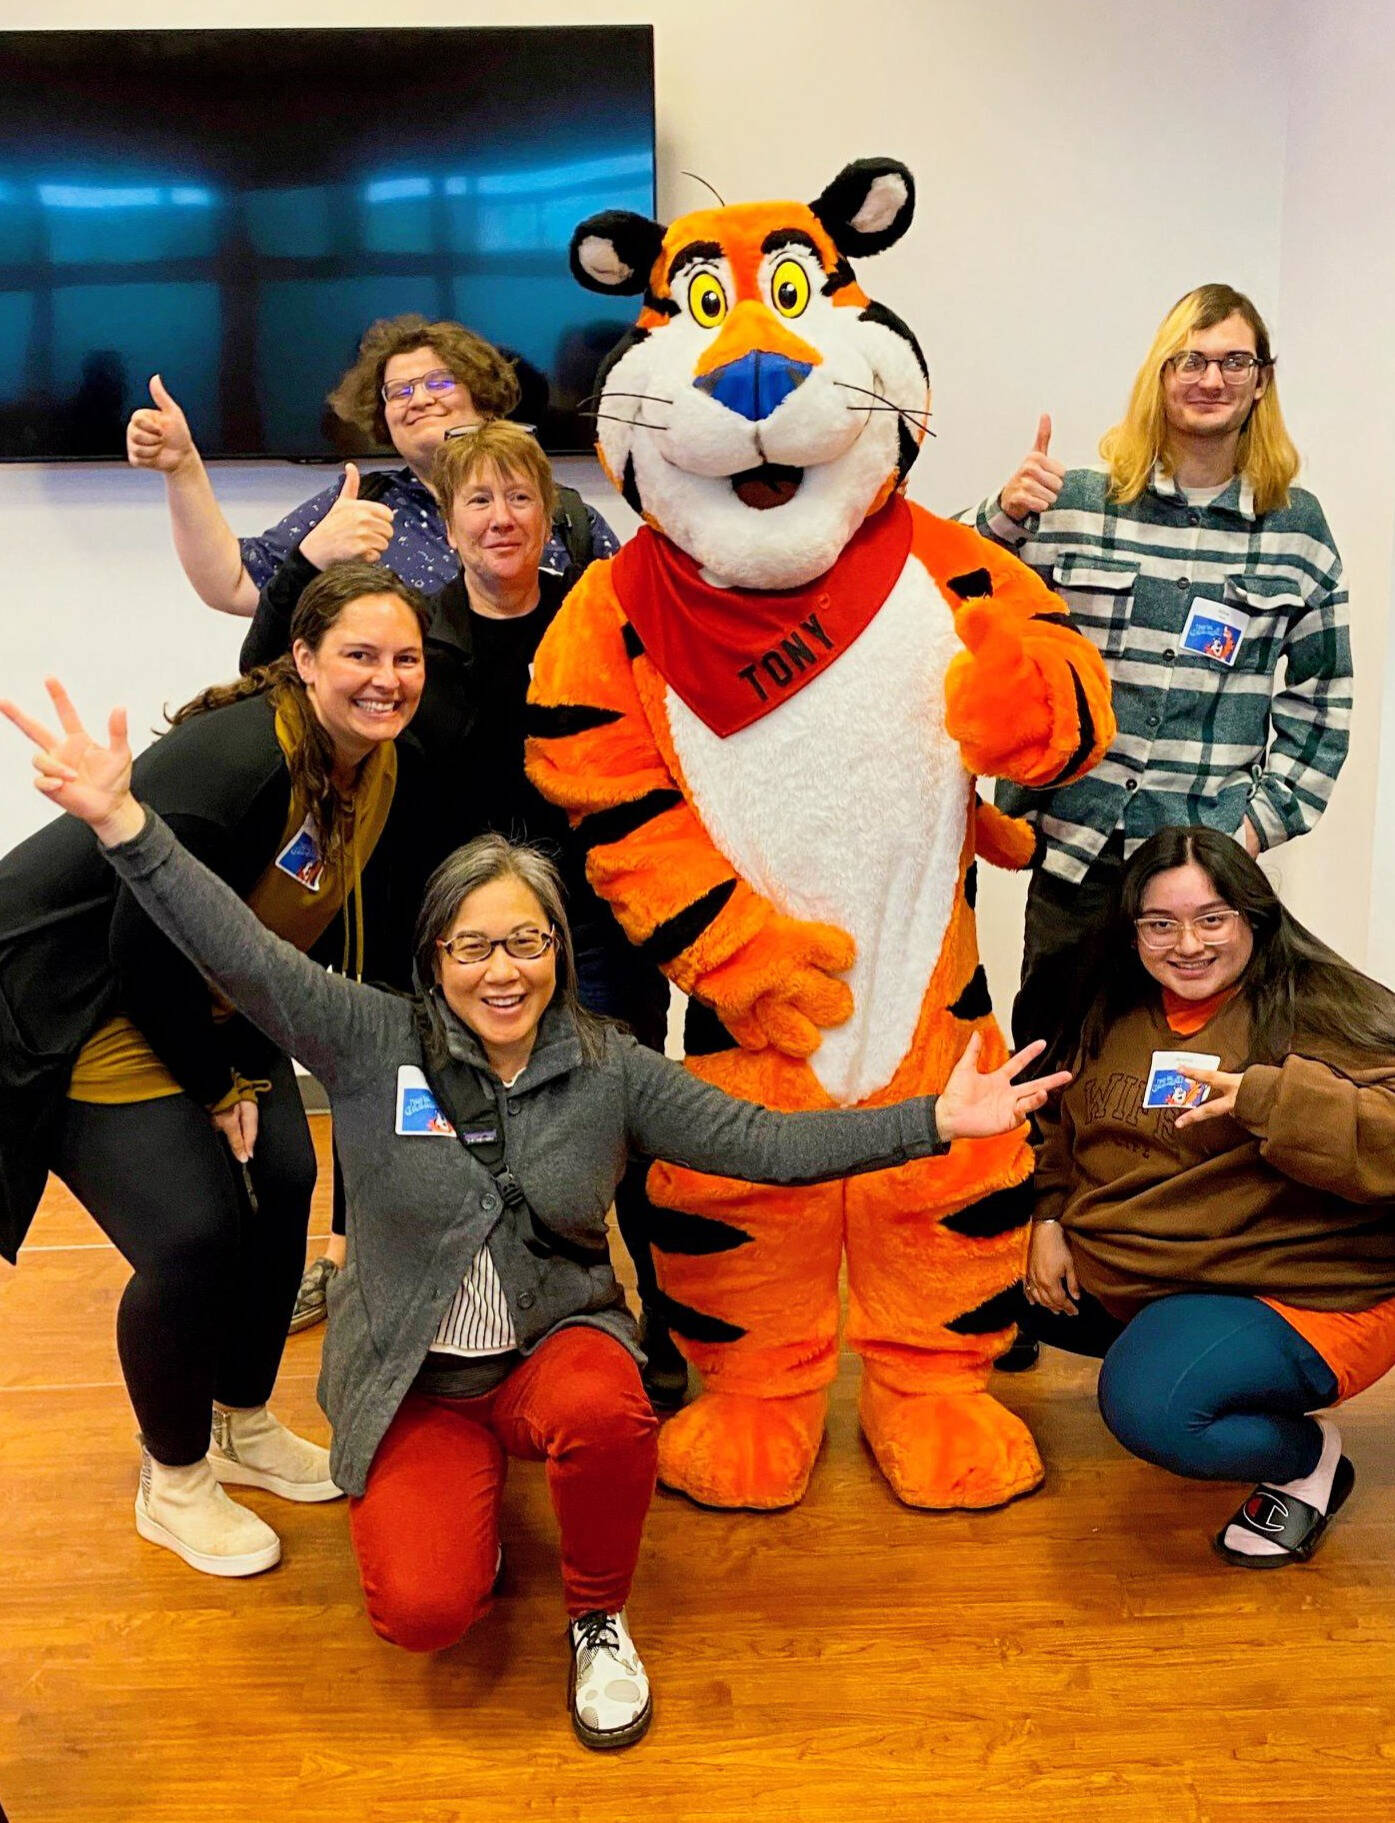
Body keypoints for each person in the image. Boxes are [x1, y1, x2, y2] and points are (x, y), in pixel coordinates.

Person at [2, 693, 1070, 1750]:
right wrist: (124, 825)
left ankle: (597, 1613)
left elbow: (768, 1144)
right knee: (423, 1614)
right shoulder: (373, 1041)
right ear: (433, 959)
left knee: (609, 1413)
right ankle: (466, 1516)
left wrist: (935, 1118)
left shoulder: (608, 1067)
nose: (501, 969)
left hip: (553, 1350)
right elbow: (240, 949)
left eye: (526, 941)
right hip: (416, 1383)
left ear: (559, 950)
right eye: (472, 946)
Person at [0, 568, 429, 1578]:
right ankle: (176, 1473)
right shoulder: (242, 762)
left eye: (404, 657)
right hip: (79, 996)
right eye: (360, 656)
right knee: (194, 1230)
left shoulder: (371, 759)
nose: (386, 678)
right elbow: (141, 946)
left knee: (284, 1177)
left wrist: (248, 1060)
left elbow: (269, 923)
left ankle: (243, 1420)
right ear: (306, 659)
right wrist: (219, 1083)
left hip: (200, 990)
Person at [245, 423, 682, 1410]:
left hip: (592, 924)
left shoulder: (597, 618)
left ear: (551, 516)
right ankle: (433, 1331)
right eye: (479, 501)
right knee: (422, 1129)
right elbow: (277, 665)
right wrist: (299, 572)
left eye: (521, 499)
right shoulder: (417, 635)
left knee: (627, 1123)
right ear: (448, 522)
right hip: (446, 933)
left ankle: (662, 1322)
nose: (502, 519)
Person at [968, 283, 1352, 1057]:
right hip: (1077, 855)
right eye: (1192, 360)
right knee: (1049, 1065)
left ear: (1260, 379)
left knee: (1186, 1080)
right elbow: (941, 589)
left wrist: (1246, 832)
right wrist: (1002, 515)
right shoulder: (1075, 502)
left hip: (1201, 881)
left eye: (1233, 361)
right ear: (1160, 373)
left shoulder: (1295, 528)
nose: (1211, 380)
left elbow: (1321, 704)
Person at [1019, 826, 1395, 1567]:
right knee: (956, 1247)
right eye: (1160, 923)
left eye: (1211, 918)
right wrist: (1050, 1215)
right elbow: (1059, 1121)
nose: (1186, 943)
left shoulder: (1323, 1006)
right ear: (1132, 934)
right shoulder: (1113, 1008)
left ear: (1252, 918)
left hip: (1310, 1289)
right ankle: (1199, 1360)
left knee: (1151, 1406)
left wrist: (1270, 1097)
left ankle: (1302, 1453)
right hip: (1167, 1270)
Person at [125, 313, 619, 616]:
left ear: (483, 394)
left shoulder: (566, 517)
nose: (418, 399)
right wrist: (183, 467)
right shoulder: (359, 504)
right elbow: (230, 583)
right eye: (398, 392)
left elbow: (633, 632)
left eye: (439, 382)